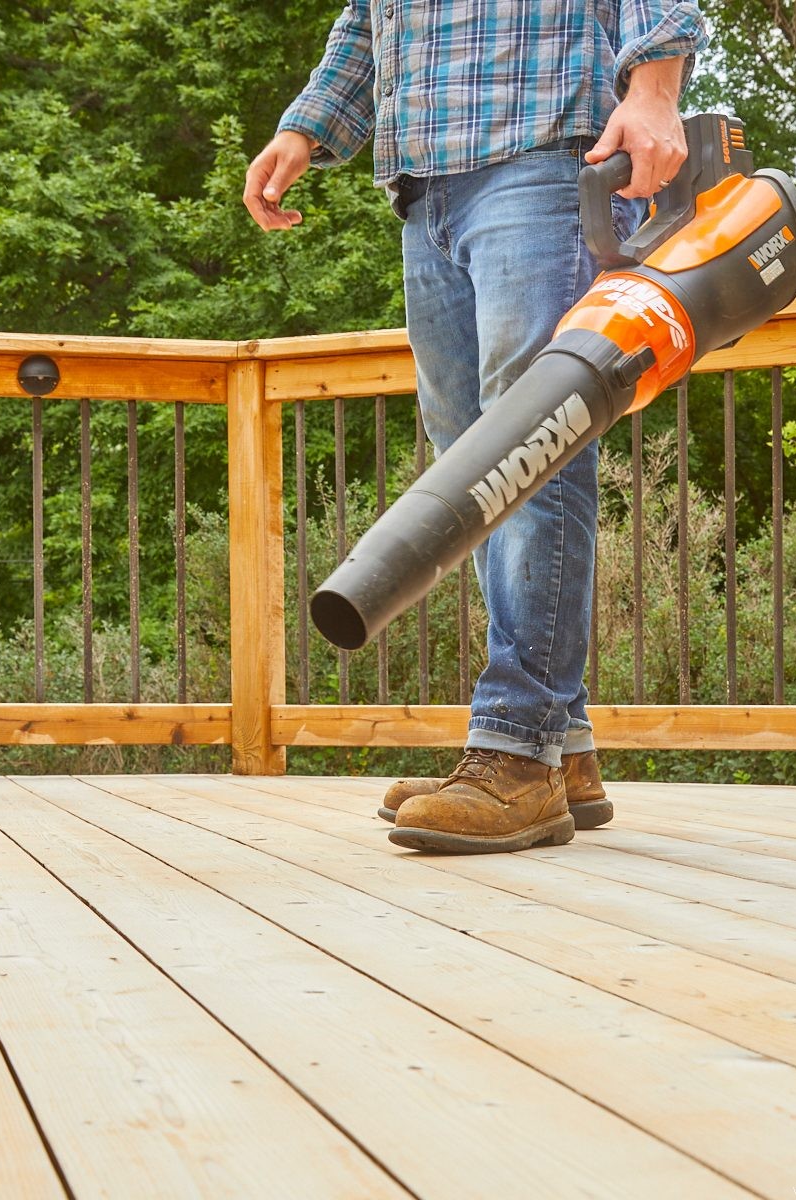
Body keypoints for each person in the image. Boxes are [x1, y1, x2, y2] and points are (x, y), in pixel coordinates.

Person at [244, 2, 708, 854]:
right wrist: (304, 129)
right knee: (470, 461)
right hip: (425, 190)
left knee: (531, 445)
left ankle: (514, 751)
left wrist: (654, 86)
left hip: (544, 161)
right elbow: (365, 20)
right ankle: (560, 746)